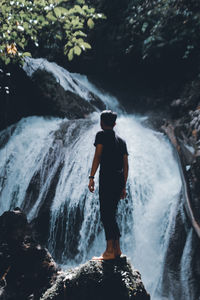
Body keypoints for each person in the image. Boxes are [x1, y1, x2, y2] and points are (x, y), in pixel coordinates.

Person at [88, 110, 129, 260]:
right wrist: (123, 186)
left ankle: (109, 251)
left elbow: (98, 155)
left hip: (107, 179)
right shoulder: (122, 141)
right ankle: (117, 250)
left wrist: (91, 177)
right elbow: (126, 165)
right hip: (118, 180)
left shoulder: (101, 135)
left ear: (101, 123)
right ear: (115, 123)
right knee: (112, 214)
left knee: (106, 214)